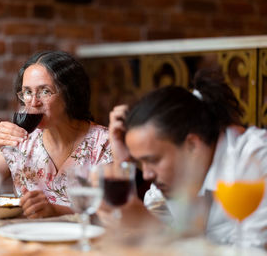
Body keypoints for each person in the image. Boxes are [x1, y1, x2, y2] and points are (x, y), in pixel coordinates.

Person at [109, 69, 267, 248]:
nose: (146, 175)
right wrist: (122, 166)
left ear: (192, 145)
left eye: (153, 160)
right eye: (140, 162)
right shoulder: (164, 185)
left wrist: (153, 226)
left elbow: (252, 251)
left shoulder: (255, 160)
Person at [0, 51, 112, 218]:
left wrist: (56, 211)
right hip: (26, 240)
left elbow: (115, 212)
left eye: (45, 91)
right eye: (27, 92)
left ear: (71, 95)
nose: (34, 102)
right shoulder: (22, 142)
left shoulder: (105, 143)